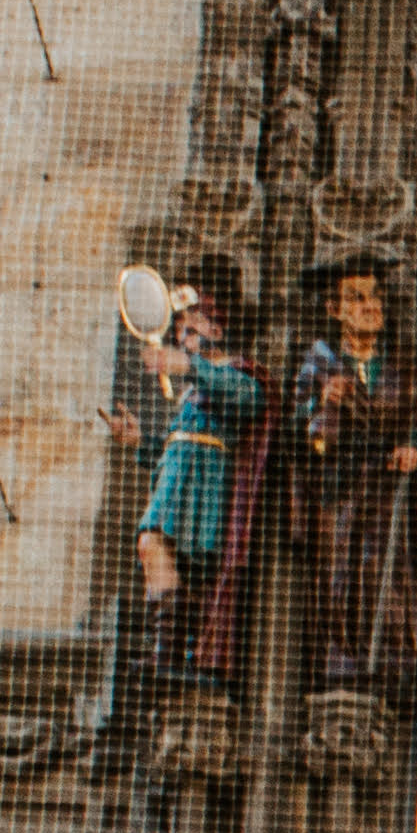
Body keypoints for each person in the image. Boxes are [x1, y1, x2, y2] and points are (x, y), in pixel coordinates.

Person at [291, 255, 417, 694]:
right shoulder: (319, 367)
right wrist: (325, 405)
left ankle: (391, 652)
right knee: (340, 570)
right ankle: (341, 654)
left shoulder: (399, 371)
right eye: (356, 298)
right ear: (334, 310)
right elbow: (300, 434)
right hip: (339, 488)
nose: (371, 306)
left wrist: (415, 449)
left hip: (386, 485)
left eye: (374, 296)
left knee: (385, 571)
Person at [120, 272, 270, 681]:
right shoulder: (191, 391)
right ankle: (168, 650)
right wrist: (140, 442)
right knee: (153, 548)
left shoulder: (236, 373)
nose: (181, 337)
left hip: (205, 487)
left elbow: (250, 399)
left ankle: (175, 651)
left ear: (216, 330)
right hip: (177, 482)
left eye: (190, 328)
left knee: (167, 553)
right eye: (179, 331)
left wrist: (189, 365)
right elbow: (175, 447)